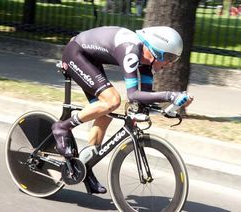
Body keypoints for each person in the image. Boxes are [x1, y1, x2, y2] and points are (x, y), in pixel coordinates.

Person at [52, 26, 194, 194]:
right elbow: (133, 95)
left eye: (174, 59)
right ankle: (62, 127)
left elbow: (144, 97)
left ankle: (85, 166)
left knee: (105, 114)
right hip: (76, 53)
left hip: (90, 59)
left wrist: (169, 107)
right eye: (168, 57)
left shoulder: (146, 62)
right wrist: (170, 95)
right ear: (155, 50)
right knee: (113, 101)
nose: (169, 64)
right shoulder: (131, 50)